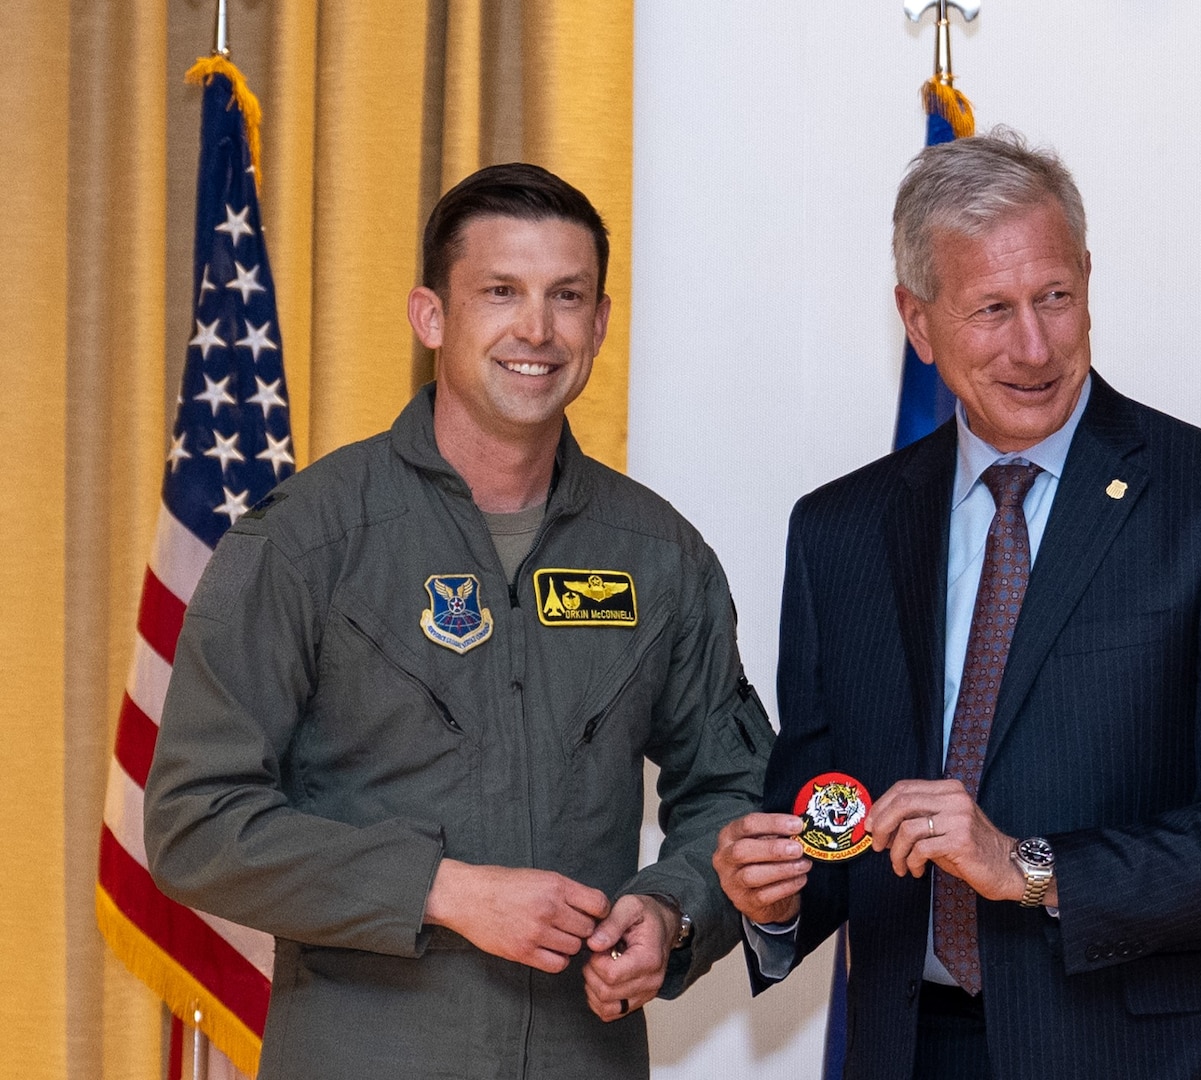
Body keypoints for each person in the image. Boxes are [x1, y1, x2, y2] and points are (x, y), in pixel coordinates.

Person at [714, 128, 1201, 1080]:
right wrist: (778, 896)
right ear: (917, 322)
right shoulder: (838, 532)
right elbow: (828, 814)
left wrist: (1031, 867)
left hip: (1145, 1056)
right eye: (991, 310)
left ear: (1087, 276)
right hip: (912, 1051)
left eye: (1055, 297)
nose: (1035, 345)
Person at [145, 163, 774, 1080]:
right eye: (501, 293)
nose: (538, 329)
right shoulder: (310, 539)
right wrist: (441, 892)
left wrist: (674, 914)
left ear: (600, 323)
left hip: (580, 1056)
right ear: (431, 316)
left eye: (568, 297)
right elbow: (195, 822)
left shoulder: (658, 555)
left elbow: (736, 786)